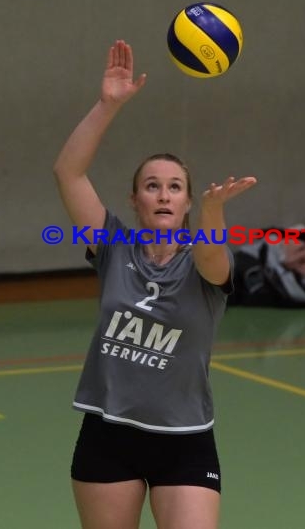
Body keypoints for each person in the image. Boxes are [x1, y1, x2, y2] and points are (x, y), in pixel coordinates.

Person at [53, 39, 256, 529]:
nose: (163, 195)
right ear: (136, 200)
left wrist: (213, 211)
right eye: (152, 186)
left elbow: (212, 257)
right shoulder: (113, 247)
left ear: (186, 204)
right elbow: (68, 172)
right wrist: (107, 106)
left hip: (184, 438)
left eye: (175, 187)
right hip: (108, 433)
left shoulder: (203, 260)